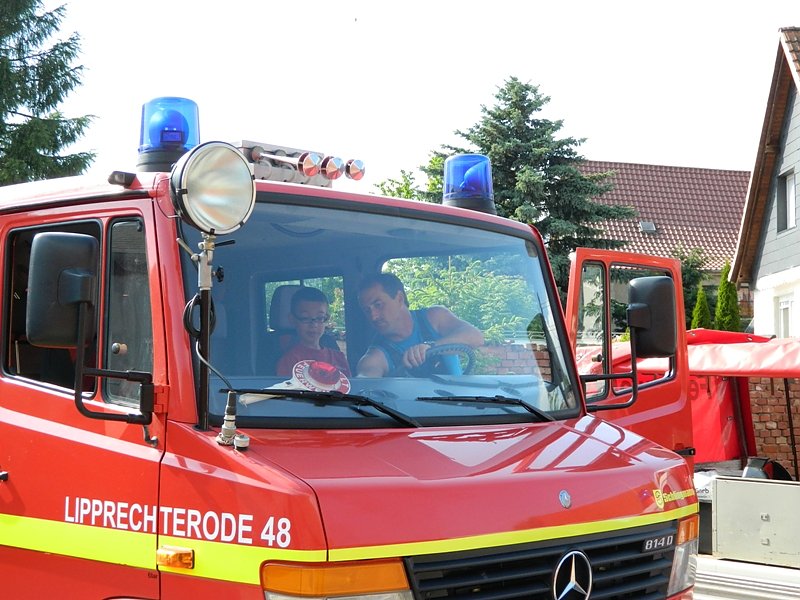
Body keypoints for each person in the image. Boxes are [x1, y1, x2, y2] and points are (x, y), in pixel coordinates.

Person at [356, 272, 484, 377]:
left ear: (400, 298)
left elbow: (476, 337)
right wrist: (364, 379)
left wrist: (430, 347)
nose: (373, 316)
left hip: (458, 404)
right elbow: (366, 377)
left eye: (378, 305)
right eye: (367, 310)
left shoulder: (434, 317)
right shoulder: (375, 356)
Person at [276, 287, 351, 377]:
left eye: (320, 318)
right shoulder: (289, 360)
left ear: (326, 319)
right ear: (292, 320)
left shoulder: (339, 358)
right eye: (305, 318)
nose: (314, 325)